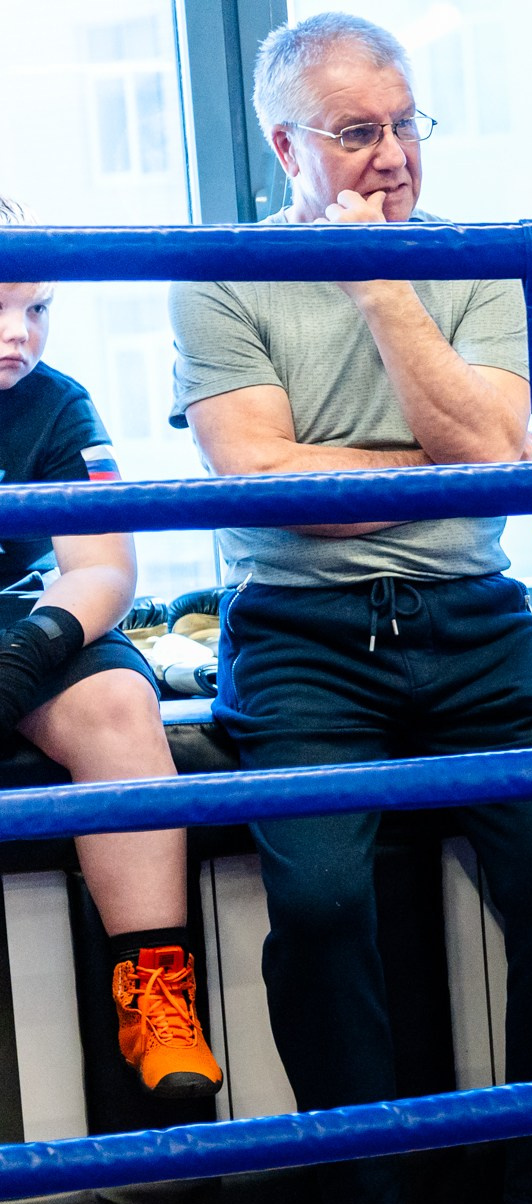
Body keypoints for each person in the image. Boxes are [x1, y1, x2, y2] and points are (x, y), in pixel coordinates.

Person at [172, 13, 532, 1204]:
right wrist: (434, 464)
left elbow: (497, 452)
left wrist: (383, 285)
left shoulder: (470, 261)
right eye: (355, 134)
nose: (390, 157)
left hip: (478, 622)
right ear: (286, 148)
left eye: (403, 126)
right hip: (299, 633)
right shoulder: (219, 276)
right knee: (321, 903)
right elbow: (261, 476)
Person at [0, 202, 223, 1101]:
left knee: (120, 706)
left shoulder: (57, 403)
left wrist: (24, 655)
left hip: (23, 620)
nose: (18, 333)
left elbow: (102, 566)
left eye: (37, 308)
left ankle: (159, 997)